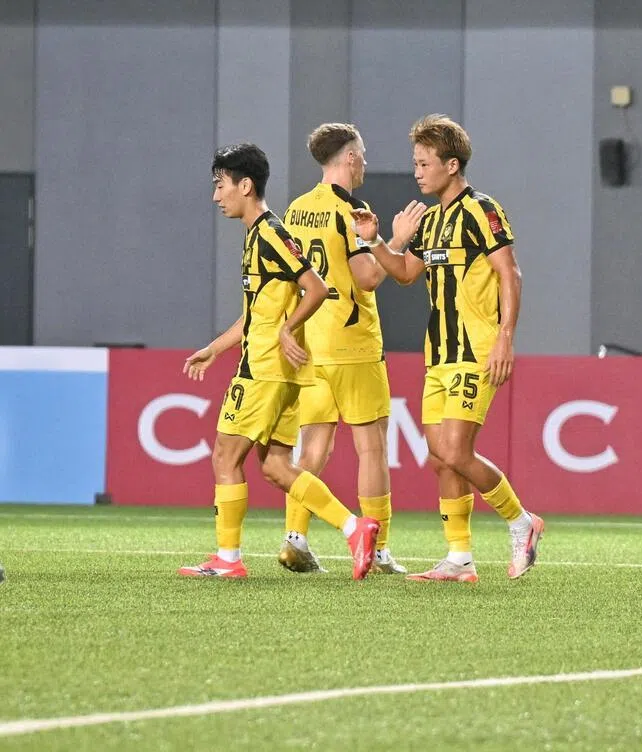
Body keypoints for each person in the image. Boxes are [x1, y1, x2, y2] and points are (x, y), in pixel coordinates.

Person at [350, 114, 544, 582]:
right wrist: (375, 240)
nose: (417, 172)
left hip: (476, 349)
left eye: (424, 163)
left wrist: (505, 338)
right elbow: (405, 273)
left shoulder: (482, 210)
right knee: (440, 456)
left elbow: (509, 273)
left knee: (456, 450)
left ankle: (523, 523)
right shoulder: (432, 220)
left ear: (452, 165)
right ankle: (459, 558)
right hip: (437, 355)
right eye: (415, 163)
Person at [179, 143, 379, 580]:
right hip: (281, 371)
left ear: (244, 185)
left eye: (221, 186)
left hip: (265, 369)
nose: (216, 196)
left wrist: (288, 331)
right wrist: (215, 348)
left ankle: (228, 559)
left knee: (224, 458)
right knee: (276, 466)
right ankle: (354, 527)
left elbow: (317, 286)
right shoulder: (260, 235)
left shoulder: (270, 234)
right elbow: (257, 314)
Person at [276, 123, 424, 575]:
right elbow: (367, 277)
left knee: (313, 445)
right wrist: (396, 238)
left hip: (310, 344)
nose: (365, 161)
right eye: (361, 153)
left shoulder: (296, 209)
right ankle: (376, 549)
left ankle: (295, 538)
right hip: (353, 343)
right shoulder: (352, 209)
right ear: (347, 158)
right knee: (372, 447)